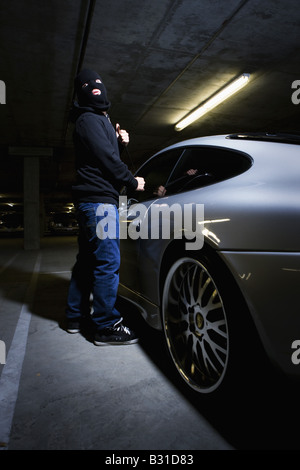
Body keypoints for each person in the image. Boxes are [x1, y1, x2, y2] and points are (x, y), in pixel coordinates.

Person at [65, 68, 145, 345]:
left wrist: (120, 143)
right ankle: (105, 325)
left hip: (93, 200)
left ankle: (74, 317)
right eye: (86, 85)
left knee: (87, 261)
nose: (94, 87)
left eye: (97, 82)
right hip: (99, 201)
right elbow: (106, 161)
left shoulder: (99, 121)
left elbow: (104, 157)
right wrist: (132, 182)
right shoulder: (88, 119)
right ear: (80, 93)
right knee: (108, 263)